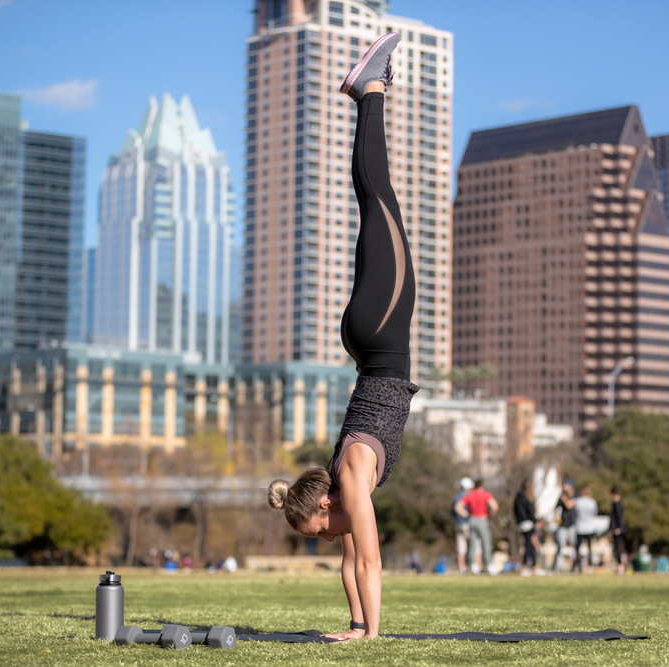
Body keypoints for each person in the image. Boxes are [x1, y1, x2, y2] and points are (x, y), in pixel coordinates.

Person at [266, 32, 418, 642]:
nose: (326, 542)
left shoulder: (351, 478)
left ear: (324, 507)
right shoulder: (343, 481)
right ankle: (371, 92)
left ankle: (369, 91)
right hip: (369, 341)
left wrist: (372, 637)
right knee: (374, 205)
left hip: (381, 337)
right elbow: (353, 563)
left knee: (377, 199)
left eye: (317, 533)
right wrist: (356, 627)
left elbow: (371, 561)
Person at [455, 479, 499, 574]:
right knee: (485, 542)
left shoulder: (469, 495)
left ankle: (472, 566)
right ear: (482, 486)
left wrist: (466, 514)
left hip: (472, 520)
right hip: (482, 519)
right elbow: (495, 506)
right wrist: (490, 515)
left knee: (472, 543)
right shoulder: (485, 494)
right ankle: (489, 564)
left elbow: (458, 507)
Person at [513, 478, 539, 573]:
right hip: (527, 523)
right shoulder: (526, 497)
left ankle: (532, 565)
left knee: (528, 544)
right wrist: (534, 520)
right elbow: (530, 512)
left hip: (522, 523)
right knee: (529, 544)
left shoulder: (518, 496)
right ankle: (527, 565)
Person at [572, 485, 598, 573]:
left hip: (579, 527)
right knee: (590, 549)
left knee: (578, 549)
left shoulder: (577, 502)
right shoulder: (592, 502)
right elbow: (594, 513)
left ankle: (577, 566)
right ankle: (590, 566)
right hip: (589, 527)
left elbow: (575, 513)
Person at [452, 477, 475, 574]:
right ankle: (475, 567)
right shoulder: (469, 496)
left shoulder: (456, 497)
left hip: (458, 524)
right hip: (468, 524)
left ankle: (462, 569)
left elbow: (452, 512)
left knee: (461, 548)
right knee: (474, 546)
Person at [552, 481, 576, 572]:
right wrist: (556, 517)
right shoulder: (560, 498)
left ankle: (575, 566)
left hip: (572, 526)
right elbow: (556, 510)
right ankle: (557, 567)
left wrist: (564, 498)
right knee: (559, 546)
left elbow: (569, 505)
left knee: (574, 547)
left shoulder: (573, 496)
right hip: (562, 526)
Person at [609, 485, 626, 574]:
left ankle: (620, 567)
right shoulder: (618, 503)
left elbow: (618, 517)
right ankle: (619, 566)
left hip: (618, 529)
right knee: (617, 548)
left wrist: (618, 528)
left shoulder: (617, 504)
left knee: (618, 548)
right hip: (618, 528)